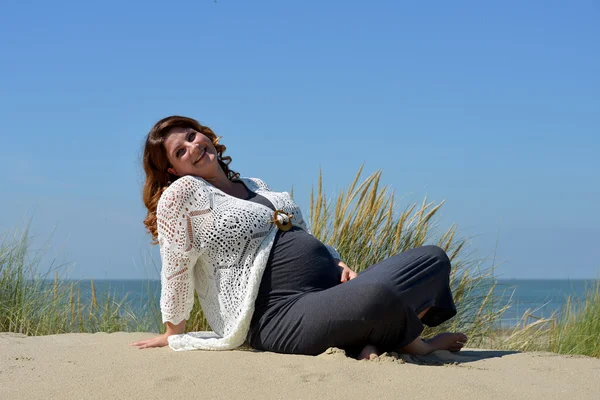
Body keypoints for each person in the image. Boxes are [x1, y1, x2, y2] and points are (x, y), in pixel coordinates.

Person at [130, 116, 467, 359]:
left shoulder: (255, 185)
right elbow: (176, 266)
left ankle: (369, 340)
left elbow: (304, 235)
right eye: (180, 151)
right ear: (173, 170)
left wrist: (335, 260)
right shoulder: (184, 195)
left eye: (192, 135)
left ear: (205, 135)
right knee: (377, 295)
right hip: (277, 314)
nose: (193, 147)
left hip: (331, 291)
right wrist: (173, 331)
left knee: (433, 258)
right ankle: (416, 344)